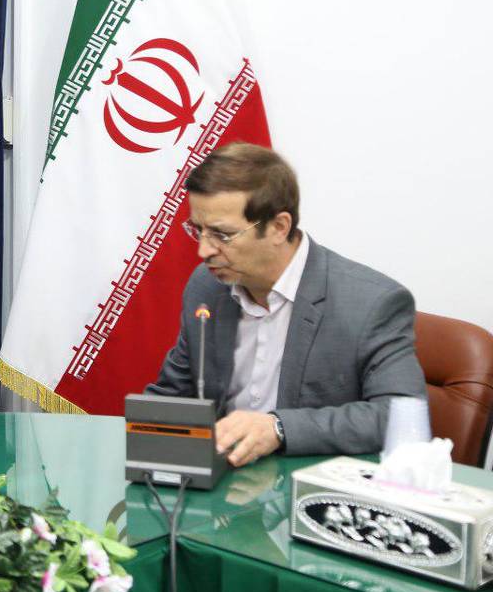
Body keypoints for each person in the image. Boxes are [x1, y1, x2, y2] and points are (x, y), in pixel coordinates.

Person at [147, 142, 427, 467]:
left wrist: (279, 428)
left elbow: (401, 415)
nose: (203, 251)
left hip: (307, 483)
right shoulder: (207, 286)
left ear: (279, 227)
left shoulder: (371, 304)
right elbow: (173, 396)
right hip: (223, 478)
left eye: (222, 235)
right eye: (198, 230)